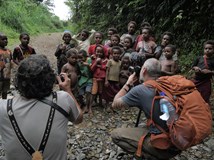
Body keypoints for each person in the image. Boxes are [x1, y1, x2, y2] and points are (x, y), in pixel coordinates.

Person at [0, 54, 83, 160]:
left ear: (19, 81)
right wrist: (67, 90)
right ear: (51, 79)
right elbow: (79, 118)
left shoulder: (3, 108)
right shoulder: (63, 99)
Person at [111, 58, 181, 160]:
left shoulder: (140, 90)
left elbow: (115, 104)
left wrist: (128, 83)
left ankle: (151, 156)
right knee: (143, 125)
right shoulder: (166, 84)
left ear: (144, 70)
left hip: (165, 145)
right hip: (180, 139)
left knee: (115, 135)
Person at [77, 50, 93, 114]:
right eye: (79, 57)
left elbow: (92, 71)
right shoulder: (78, 63)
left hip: (89, 79)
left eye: (81, 57)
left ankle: (88, 106)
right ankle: (82, 103)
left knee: (88, 91)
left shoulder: (89, 61)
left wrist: (88, 65)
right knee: (80, 93)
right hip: (82, 79)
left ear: (85, 57)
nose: (80, 59)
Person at [0, 33, 12, 99]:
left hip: (7, 76)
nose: (5, 41)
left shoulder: (9, 51)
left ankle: (4, 103)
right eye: (3, 39)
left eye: (6, 39)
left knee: (5, 91)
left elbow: (10, 61)